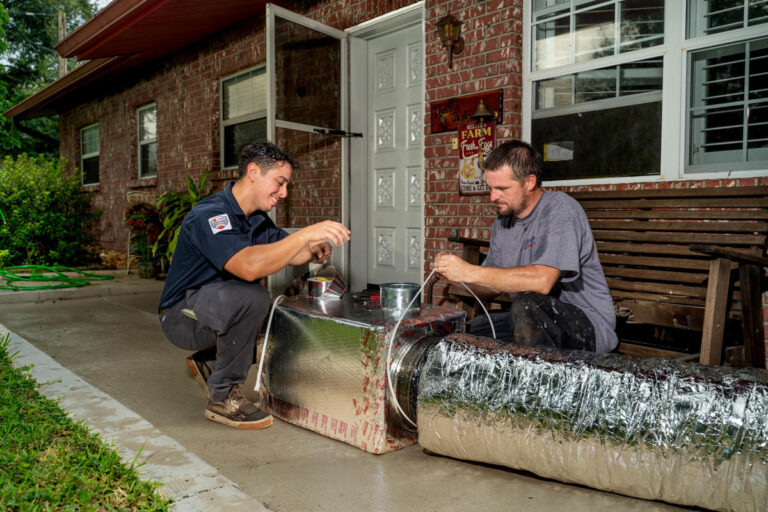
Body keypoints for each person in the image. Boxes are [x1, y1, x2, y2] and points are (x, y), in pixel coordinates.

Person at [158, 141, 350, 429]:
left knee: (275, 312)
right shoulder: (211, 215)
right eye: (280, 183)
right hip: (181, 316)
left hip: (214, 308)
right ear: (253, 172)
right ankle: (222, 397)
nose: (284, 193)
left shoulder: (256, 220)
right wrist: (305, 234)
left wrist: (312, 246)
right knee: (254, 298)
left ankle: (211, 361)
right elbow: (248, 267)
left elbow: (289, 250)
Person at [433, 140, 617, 353]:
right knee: (460, 335)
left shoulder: (560, 209)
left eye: (502, 188)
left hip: (588, 325)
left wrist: (471, 271)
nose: (493, 197)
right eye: (491, 188)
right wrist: (461, 279)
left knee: (527, 305)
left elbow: (542, 281)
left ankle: (533, 386)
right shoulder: (503, 222)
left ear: (529, 182)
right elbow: (492, 286)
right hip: (527, 319)